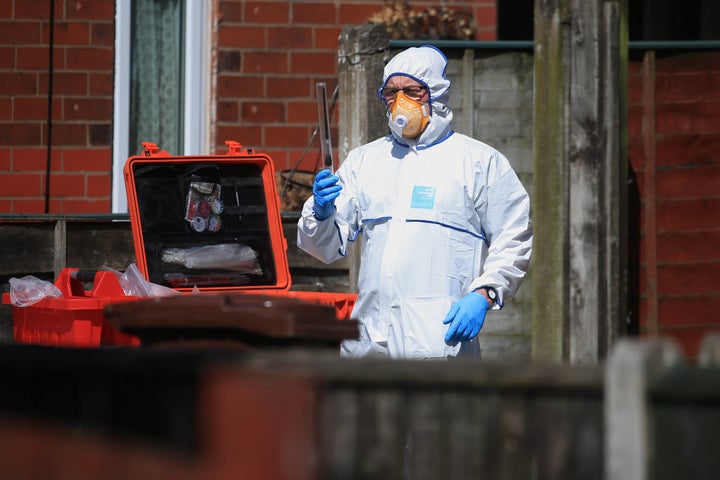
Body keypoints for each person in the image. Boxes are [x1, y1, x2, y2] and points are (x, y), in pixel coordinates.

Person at [297, 45, 532, 360]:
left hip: (439, 343)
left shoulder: (479, 162)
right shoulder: (365, 161)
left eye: (412, 91)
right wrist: (321, 213)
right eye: (391, 93)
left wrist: (485, 293)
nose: (400, 102)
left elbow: (513, 237)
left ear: (435, 93)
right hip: (369, 343)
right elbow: (322, 248)